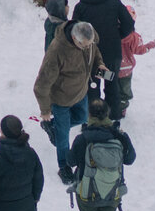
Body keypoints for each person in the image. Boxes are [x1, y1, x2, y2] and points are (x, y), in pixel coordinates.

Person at [67, 100, 134, 211]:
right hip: (112, 192)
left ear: (89, 115)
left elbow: (71, 162)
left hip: (87, 192)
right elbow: (130, 159)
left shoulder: (83, 138)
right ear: (107, 114)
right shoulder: (118, 135)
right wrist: (123, 136)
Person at [34, 20, 105, 179]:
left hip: (81, 93)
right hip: (61, 100)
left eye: (90, 44)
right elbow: (41, 84)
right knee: (63, 136)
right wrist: (45, 110)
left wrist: (99, 64)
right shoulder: (57, 51)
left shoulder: (88, 39)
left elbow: (94, 51)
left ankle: (53, 127)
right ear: (75, 39)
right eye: (85, 45)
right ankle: (64, 166)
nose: (88, 47)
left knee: (81, 118)